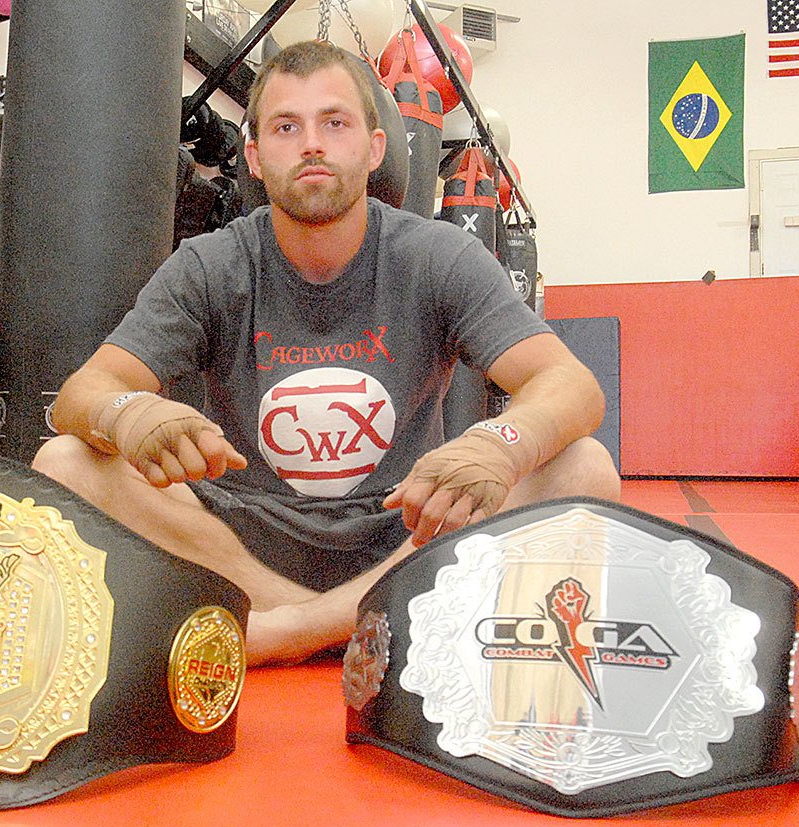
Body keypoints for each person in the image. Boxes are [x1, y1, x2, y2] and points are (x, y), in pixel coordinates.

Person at [33, 40, 620, 665]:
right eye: (287, 127)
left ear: (373, 148)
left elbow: (571, 385)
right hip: (247, 540)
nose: (311, 144)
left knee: (583, 469)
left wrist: (502, 444)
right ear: (255, 158)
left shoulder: (437, 255)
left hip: (406, 530)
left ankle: (286, 632)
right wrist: (129, 414)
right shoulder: (210, 265)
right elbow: (81, 395)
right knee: (66, 462)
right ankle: (359, 624)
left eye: (333, 123)